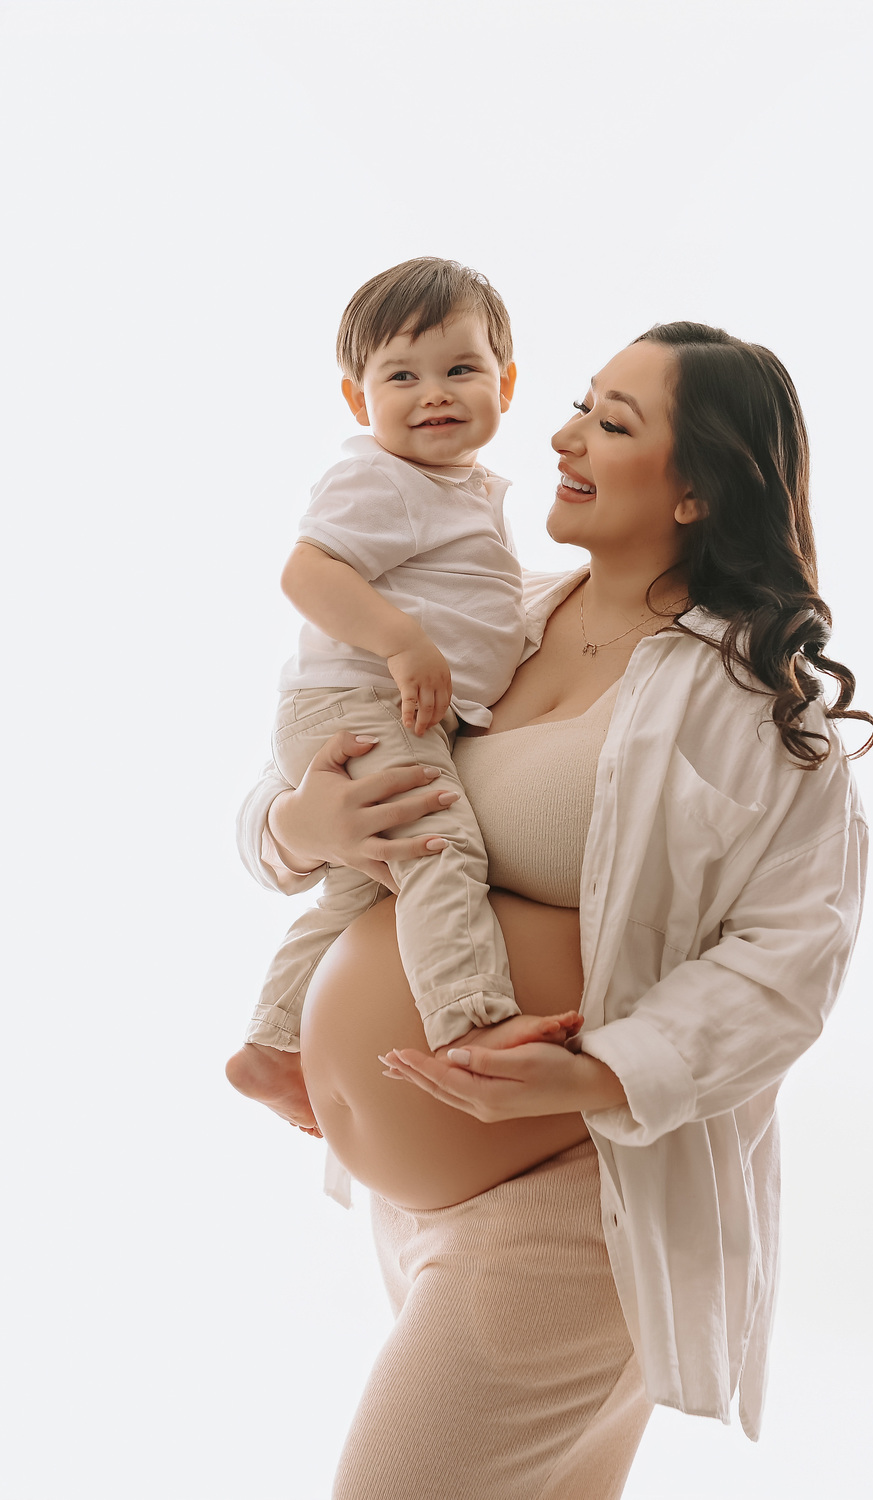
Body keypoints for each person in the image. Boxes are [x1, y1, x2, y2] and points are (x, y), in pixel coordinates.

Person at [236, 321, 873, 1498]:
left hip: (577, 1202)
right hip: (422, 1210)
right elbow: (305, 773)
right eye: (580, 404)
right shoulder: (497, 617)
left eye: (611, 424)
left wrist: (596, 1074)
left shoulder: (749, 703)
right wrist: (298, 825)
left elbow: (790, 963)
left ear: (696, 490)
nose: (561, 437)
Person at [228, 258, 585, 1139]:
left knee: (363, 891)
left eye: (461, 369)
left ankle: (273, 1042)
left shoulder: (463, 494)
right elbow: (306, 572)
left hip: (376, 708)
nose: (435, 393)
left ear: (505, 384)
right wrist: (401, 641)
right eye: (401, 376)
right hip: (359, 702)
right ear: (358, 400)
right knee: (439, 850)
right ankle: (471, 1020)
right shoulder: (384, 479)